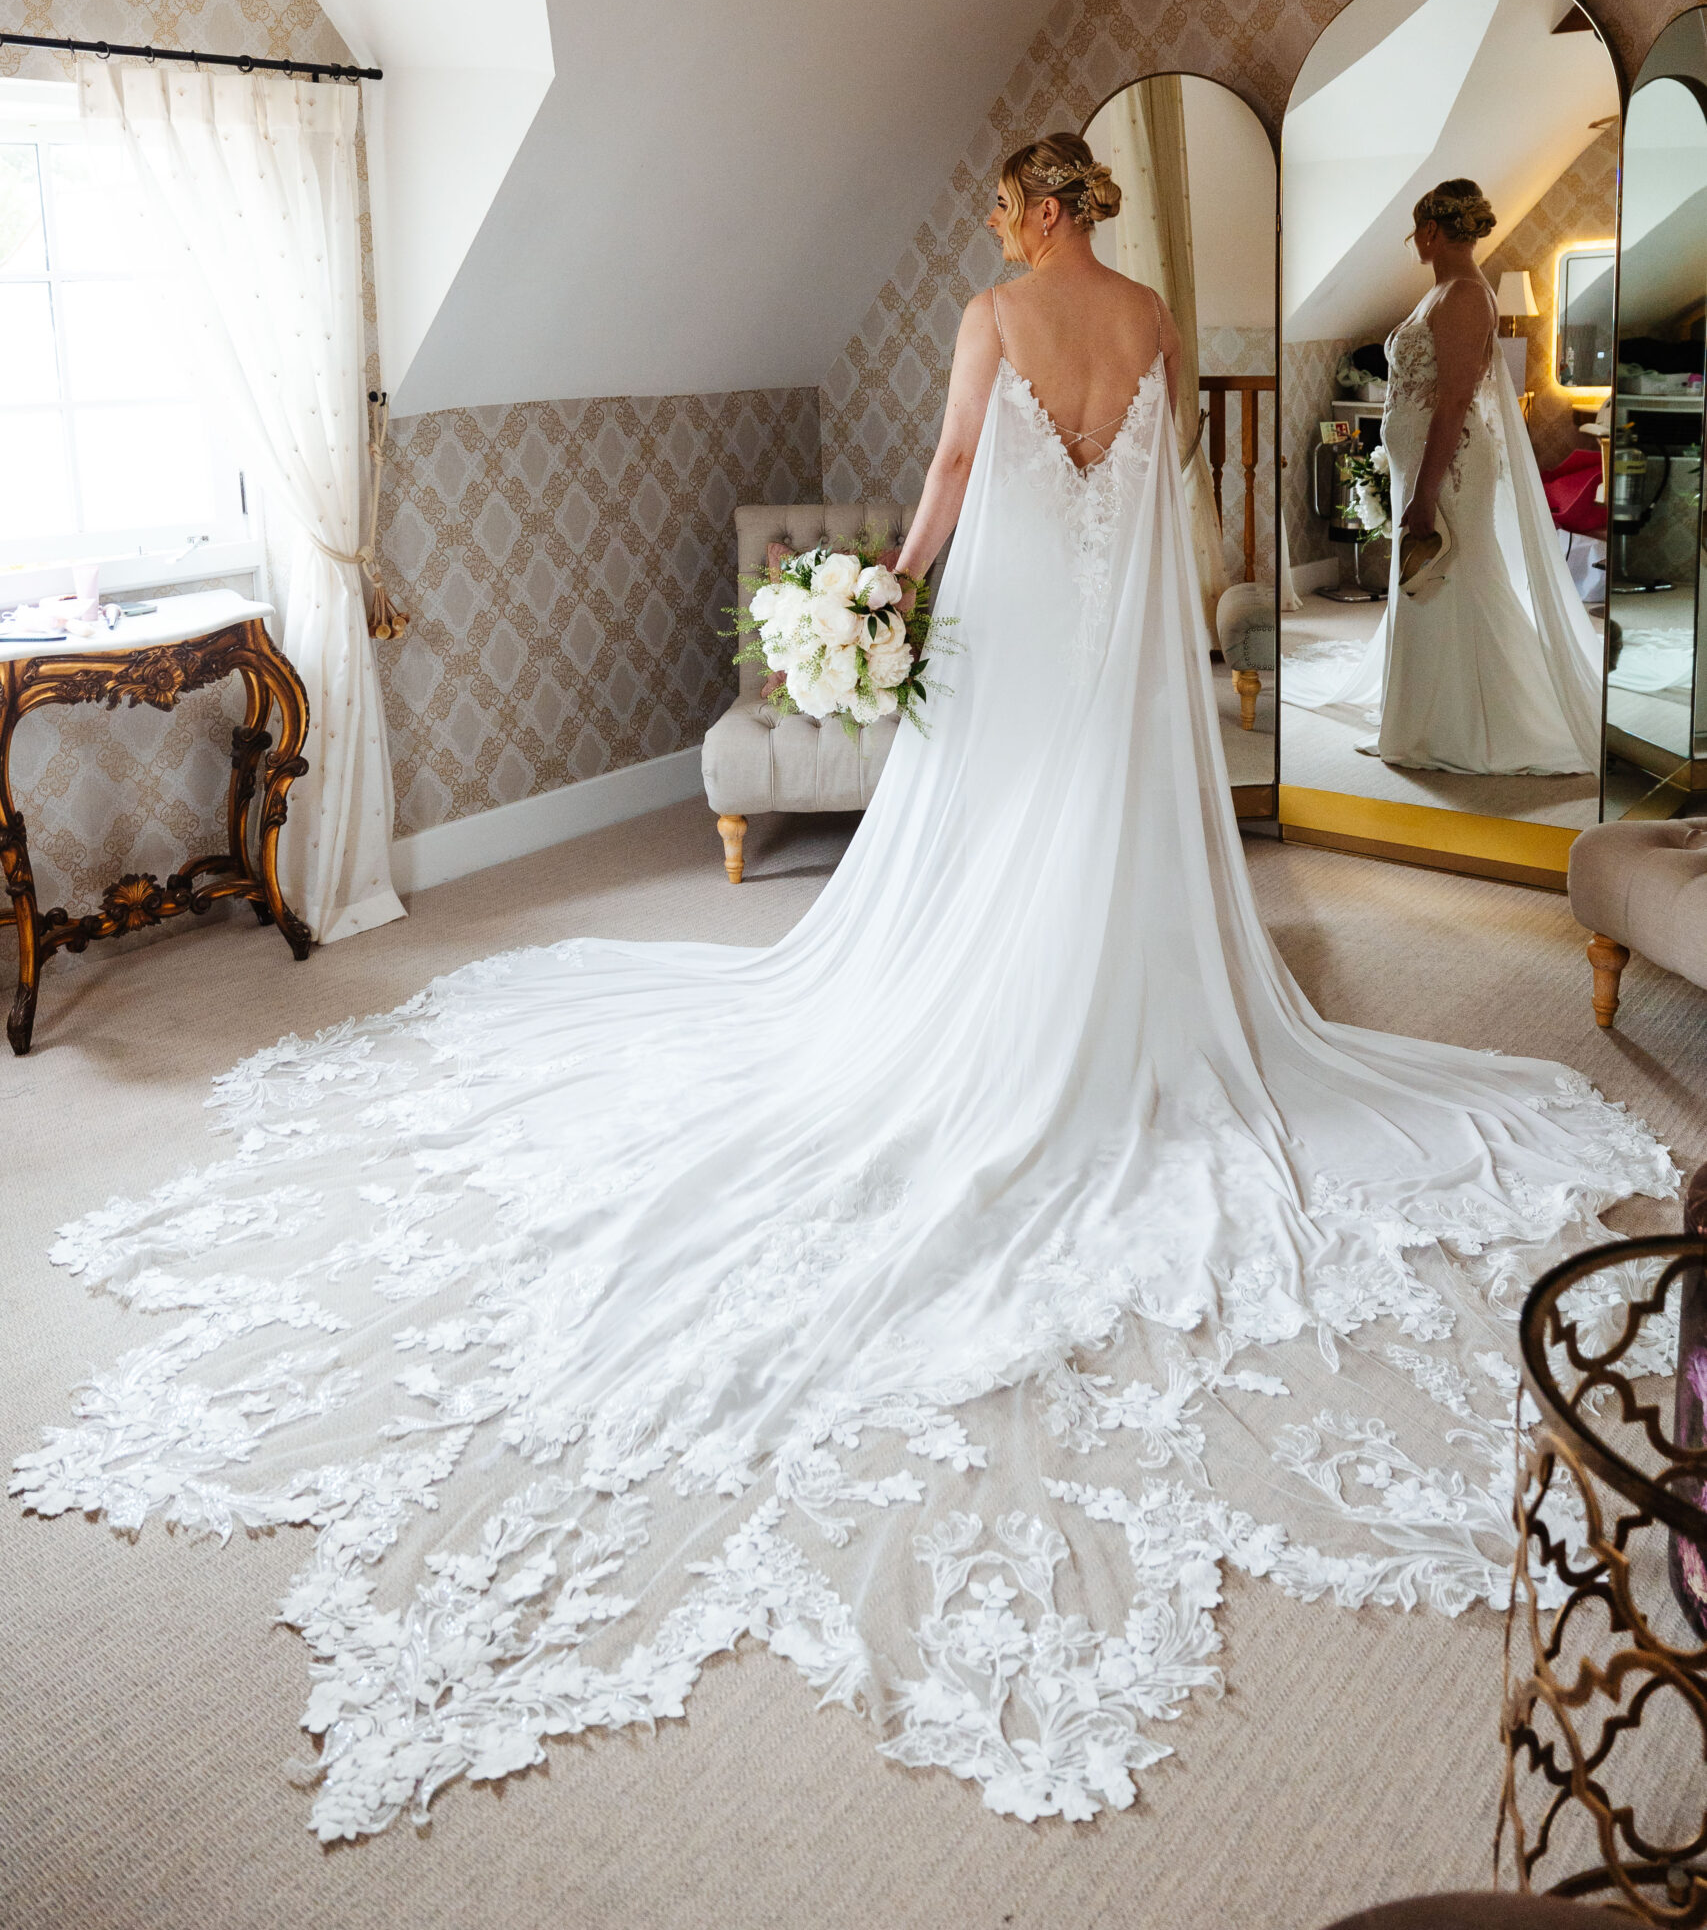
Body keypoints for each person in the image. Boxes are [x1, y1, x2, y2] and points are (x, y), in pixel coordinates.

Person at [14, 137, 1672, 1843]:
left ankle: (1012, 1008)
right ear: (1091, 207)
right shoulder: (1155, 312)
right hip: (1107, 638)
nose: (1001, 227)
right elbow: (1156, 479)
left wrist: (893, 584)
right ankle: (1115, 991)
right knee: (1091, 812)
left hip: (1023, 616)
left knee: (992, 814)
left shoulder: (991, 313)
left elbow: (956, 464)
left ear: (1030, 210)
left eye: (1002, 208)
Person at [1284, 178, 1602, 775]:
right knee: (1428, 579)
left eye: (1415, 228)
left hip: (1450, 468)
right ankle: (1423, 717)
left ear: (1431, 230)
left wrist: (1425, 493)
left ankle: (1485, 723)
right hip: (1422, 464)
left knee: (1461, 573)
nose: (1412, 239)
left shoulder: (1463, 296)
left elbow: (1454, 402)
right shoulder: (1440, 291)